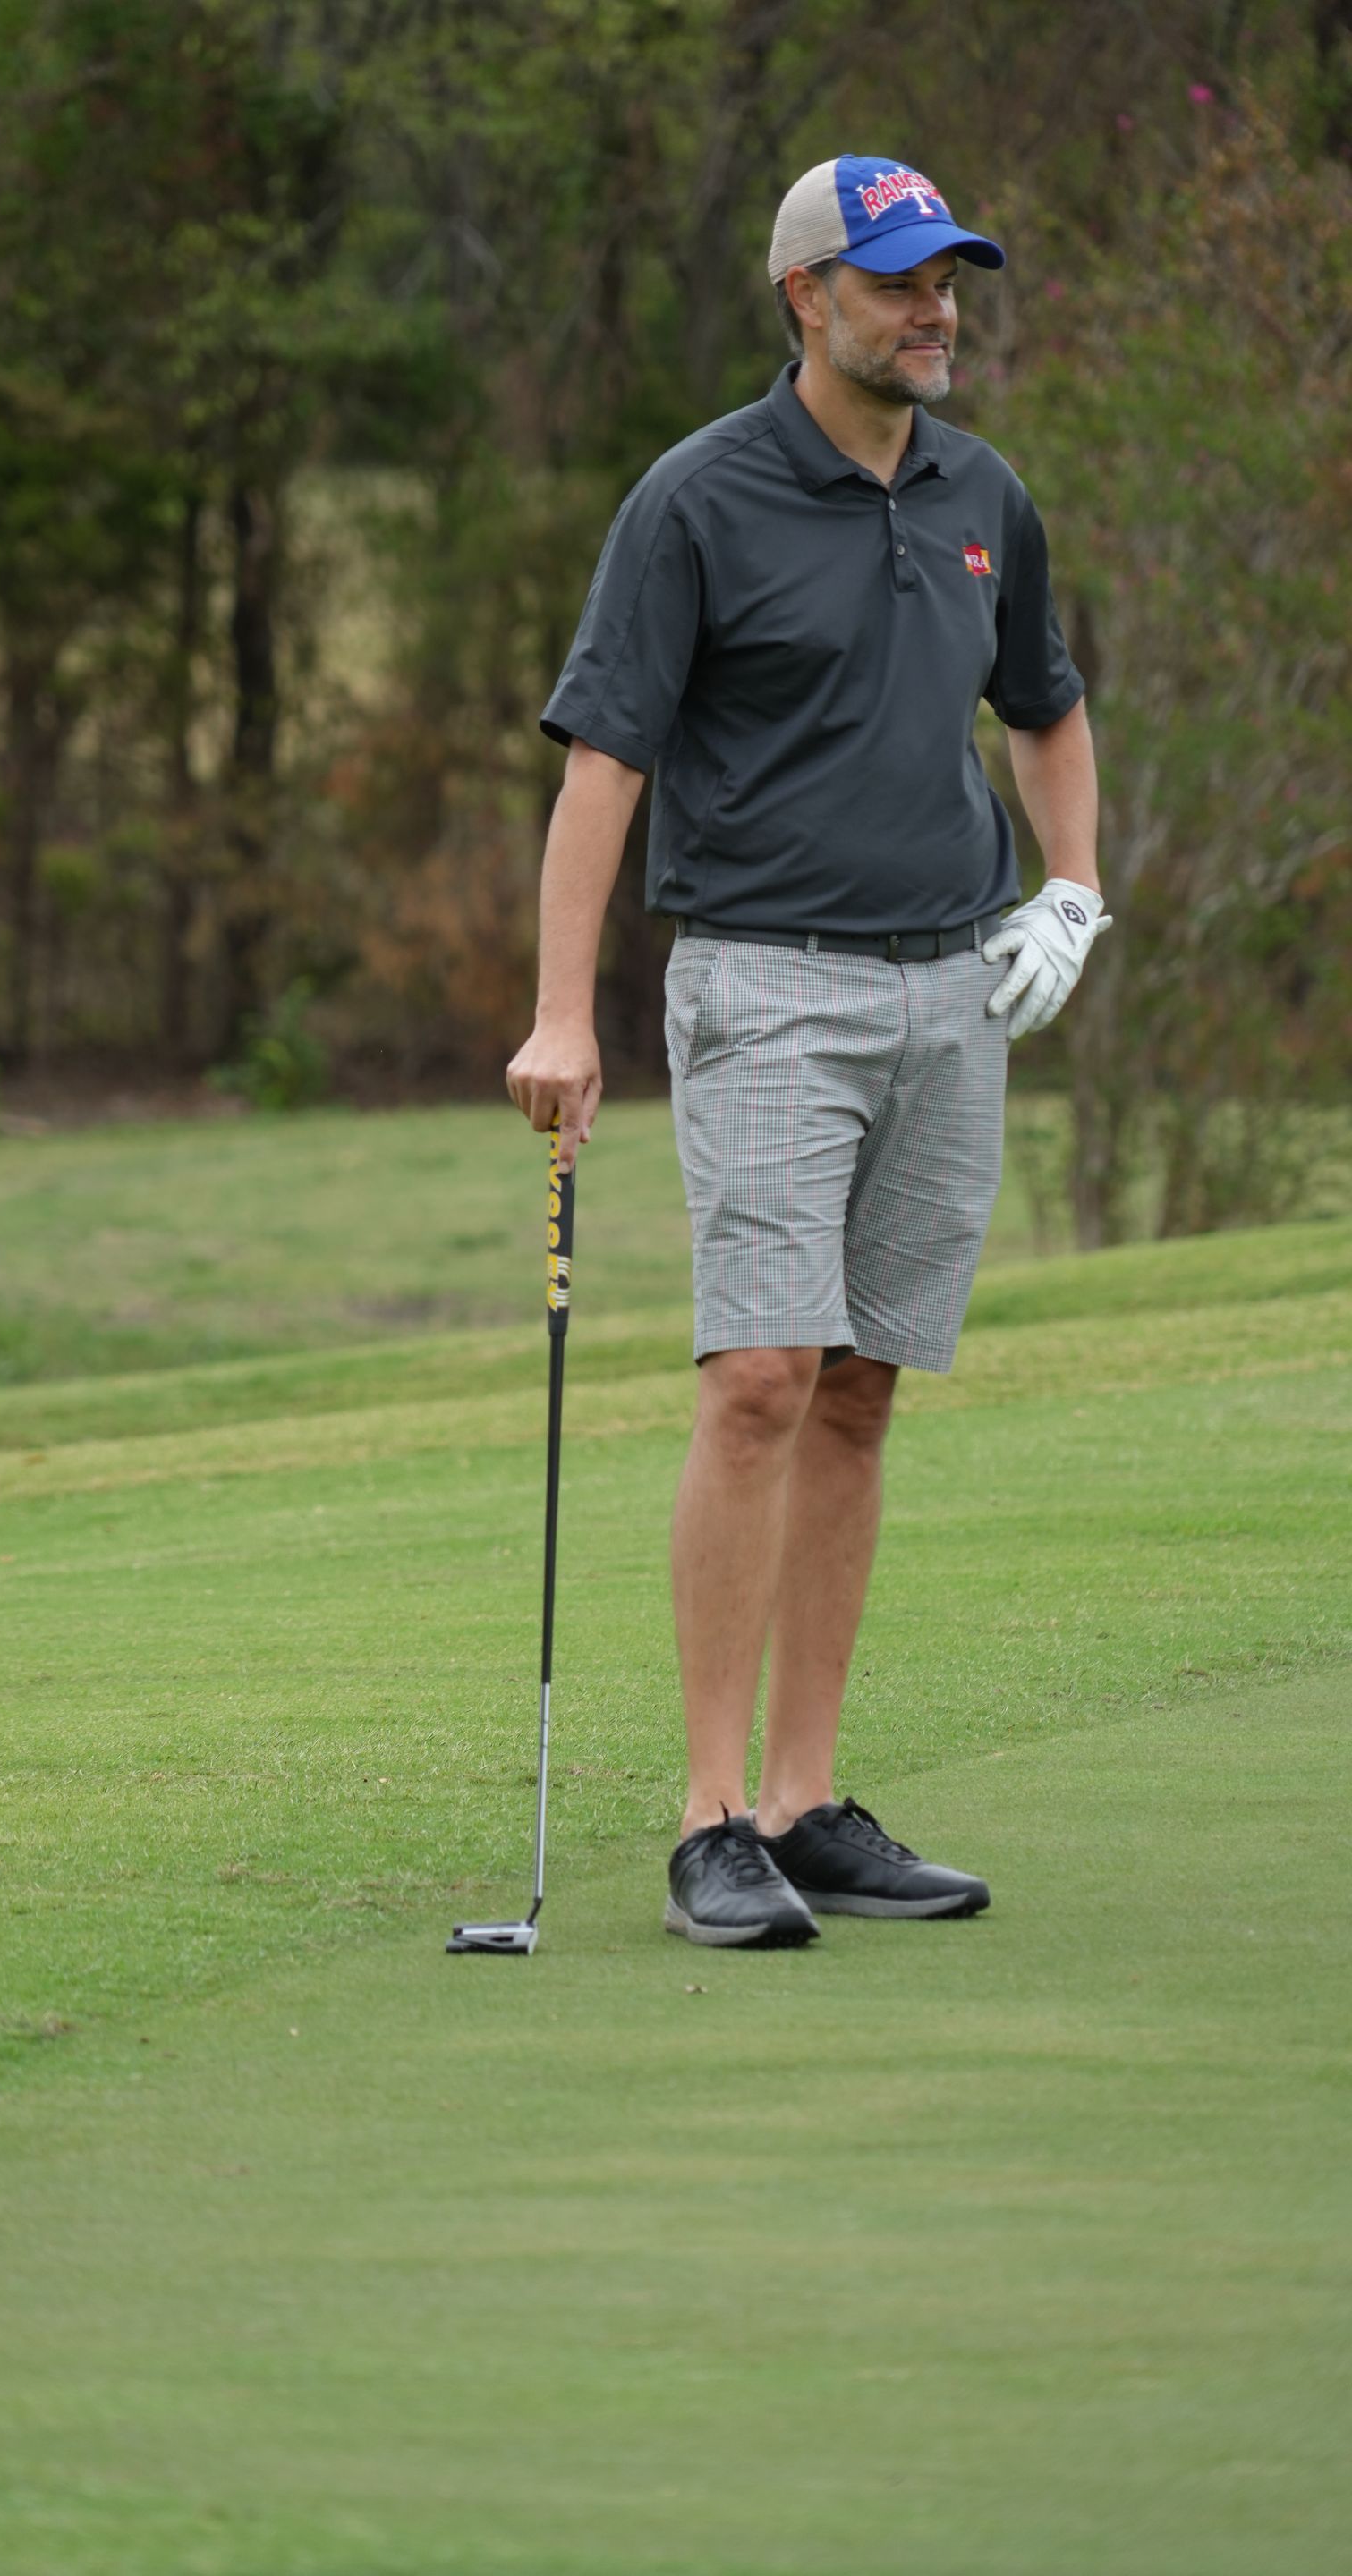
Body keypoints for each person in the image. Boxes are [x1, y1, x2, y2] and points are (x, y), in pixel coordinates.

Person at [506, 155, 1108, 1948]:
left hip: (954, 990)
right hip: (766, 981)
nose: (935, 312)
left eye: (950, 284)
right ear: (808, 301)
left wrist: (1072, 892)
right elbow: (602, 761)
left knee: (862, 1385)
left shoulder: (985, 492)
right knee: (761, 1375)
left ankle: (805, 1798)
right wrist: (561, 1010)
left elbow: (1049, 709)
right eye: (900, 282)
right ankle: (709, 1819)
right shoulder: (696, 500)